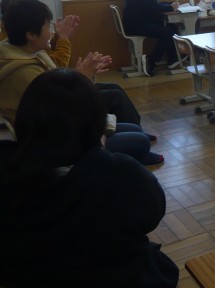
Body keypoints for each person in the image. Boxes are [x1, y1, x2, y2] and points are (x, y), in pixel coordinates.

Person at [0, 69, 178, 287]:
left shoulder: (6, 163)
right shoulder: (120, 173)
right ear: (96, 122)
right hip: (112, 276)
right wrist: (99, 152)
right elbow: (151, 216)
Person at [0, 0, 163, 166]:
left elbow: (55, 85)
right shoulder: (23, 73)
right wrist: (81, 78)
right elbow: (60, 110)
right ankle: (127, 156)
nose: (51, 31)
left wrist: (82, 74)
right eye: (47, 26)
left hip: (62, 129)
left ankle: (134, 152)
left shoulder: (24, 51)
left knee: (135, 131)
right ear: (31, 35)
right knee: (140, 141)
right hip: (54, 143)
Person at [123, 0, 179, 76]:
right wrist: (170, 7)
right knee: (169, 33)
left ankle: (173, 60)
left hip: (138, 23)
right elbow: (152, 8)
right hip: (137, 25)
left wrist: (169, 4)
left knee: (172, 28)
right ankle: (151, 60)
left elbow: (153, 4)